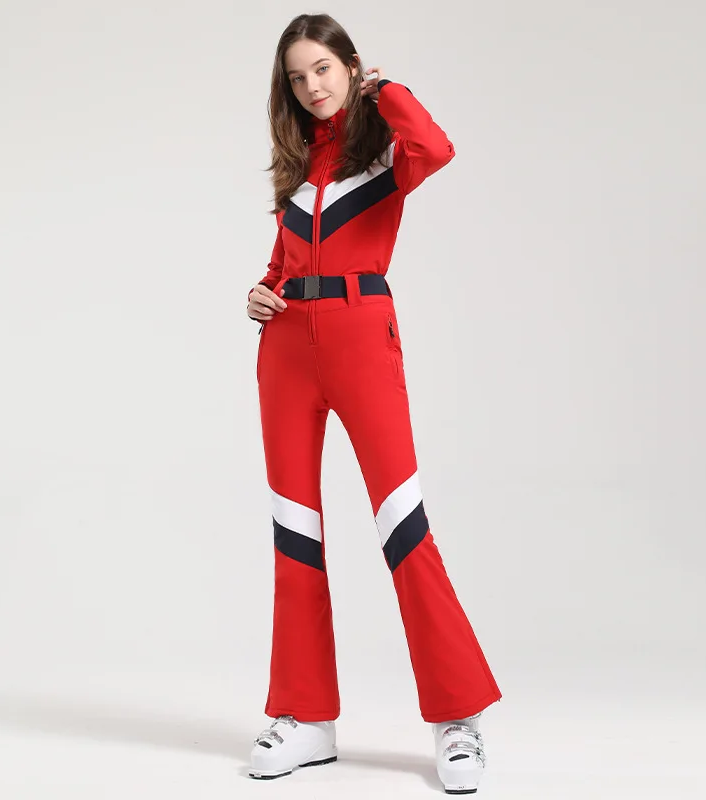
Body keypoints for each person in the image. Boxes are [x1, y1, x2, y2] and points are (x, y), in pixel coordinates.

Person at [244, 13, 502, 795]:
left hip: (363, 338)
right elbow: (288, 258)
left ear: (350, 67)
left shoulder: (385, 148)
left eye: (323, 69)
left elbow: (437, 148)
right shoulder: (298, 165)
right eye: (297, 77)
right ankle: (305, 717)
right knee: (295, 532)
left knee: (403, 524)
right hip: (286, 351)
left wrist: (383, 90)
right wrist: (264, 291)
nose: (311, 86)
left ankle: (458, 717)